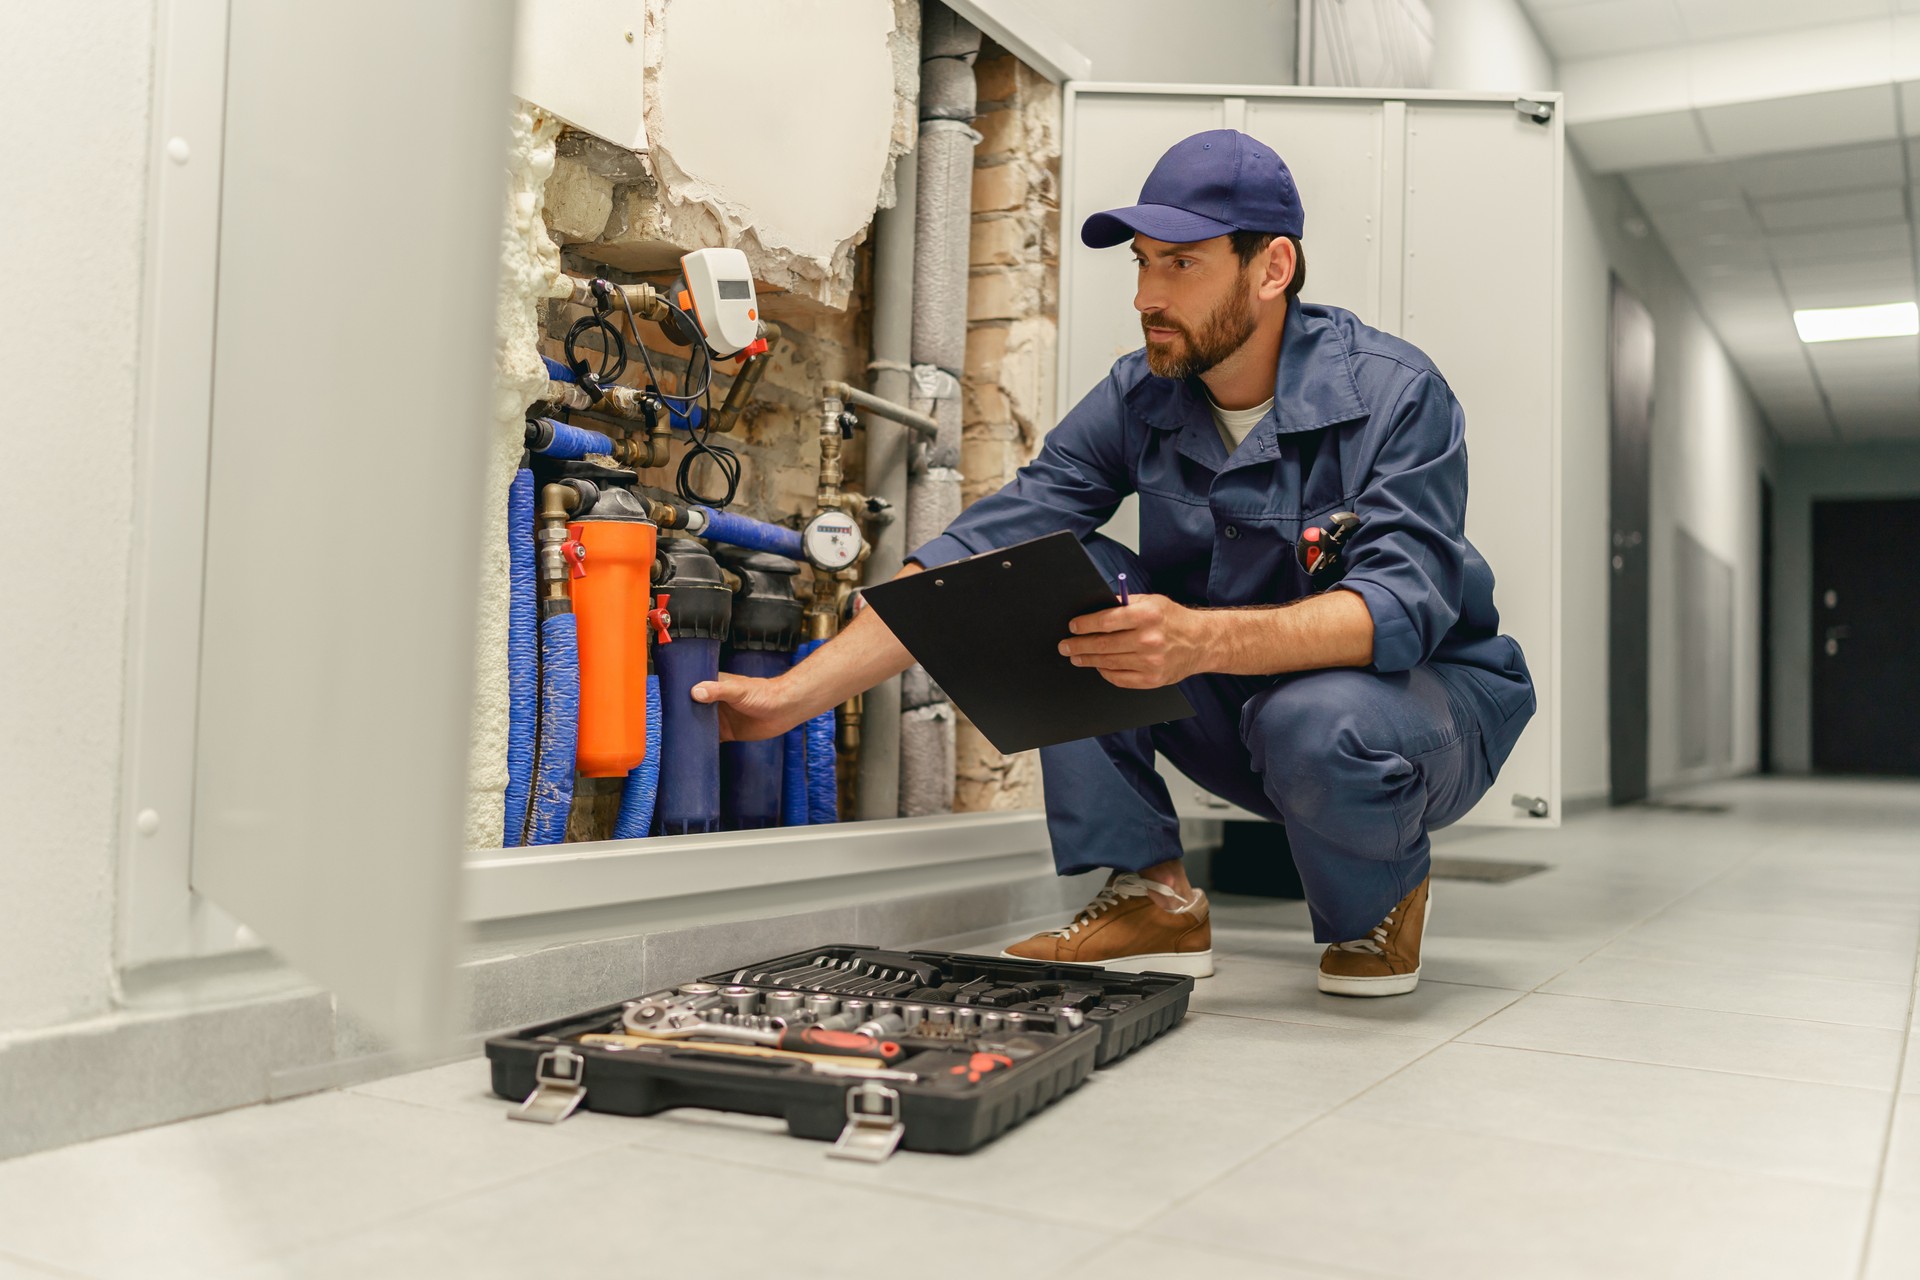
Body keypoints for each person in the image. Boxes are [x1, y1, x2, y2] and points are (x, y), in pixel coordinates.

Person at [693, 129, 1534, 997]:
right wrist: (788, 699)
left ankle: (1378, 904)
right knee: (1050, 575)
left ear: (1272, 268)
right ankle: (1150, 896)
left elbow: (1397, 608)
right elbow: (977, 560)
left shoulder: (1397, 395)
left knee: (1313, 719)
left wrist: (1198, 640)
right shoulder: (1142, 394)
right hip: (1248, 709)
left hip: (1420, 711)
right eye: (1141, 265)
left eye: (1180, 264)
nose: (1146, 296)